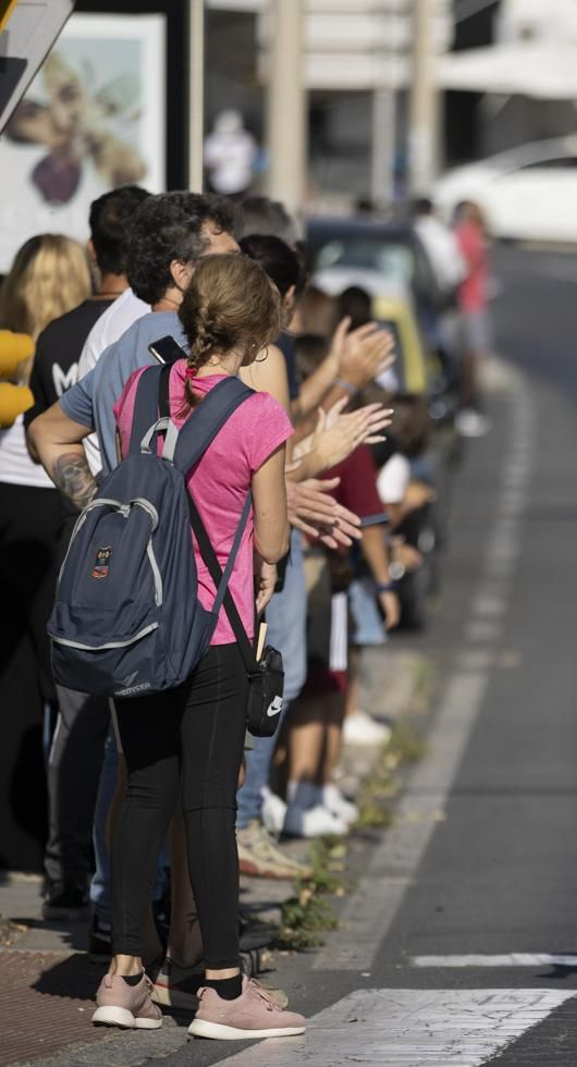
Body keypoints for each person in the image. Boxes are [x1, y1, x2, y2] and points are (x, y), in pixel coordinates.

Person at [93, 253, 305, 1039]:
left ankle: (123, 977)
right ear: (257, 330)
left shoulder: (139, 391)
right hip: (214, 630)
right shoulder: (258, 414)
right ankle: (222, 986)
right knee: (210, 804)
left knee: (145, 793)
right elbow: (273, 538)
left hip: (137, 624)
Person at [11, 188, 150, 924]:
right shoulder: (135, 332)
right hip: (120, 536)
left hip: (80, 525)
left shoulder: (63, 333)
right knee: (113, 716)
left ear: (95, 247)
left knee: (77, 709)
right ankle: (103, 883)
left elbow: (44, 425)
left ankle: (71, 870)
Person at [452, 201, 494, 437]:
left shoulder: (469, 234)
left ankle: (467, 406)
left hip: (474, 302)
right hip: (471, 303)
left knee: (473, 359)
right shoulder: (467, 235)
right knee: (471, 359)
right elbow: (464, 268)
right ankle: (466, 408)